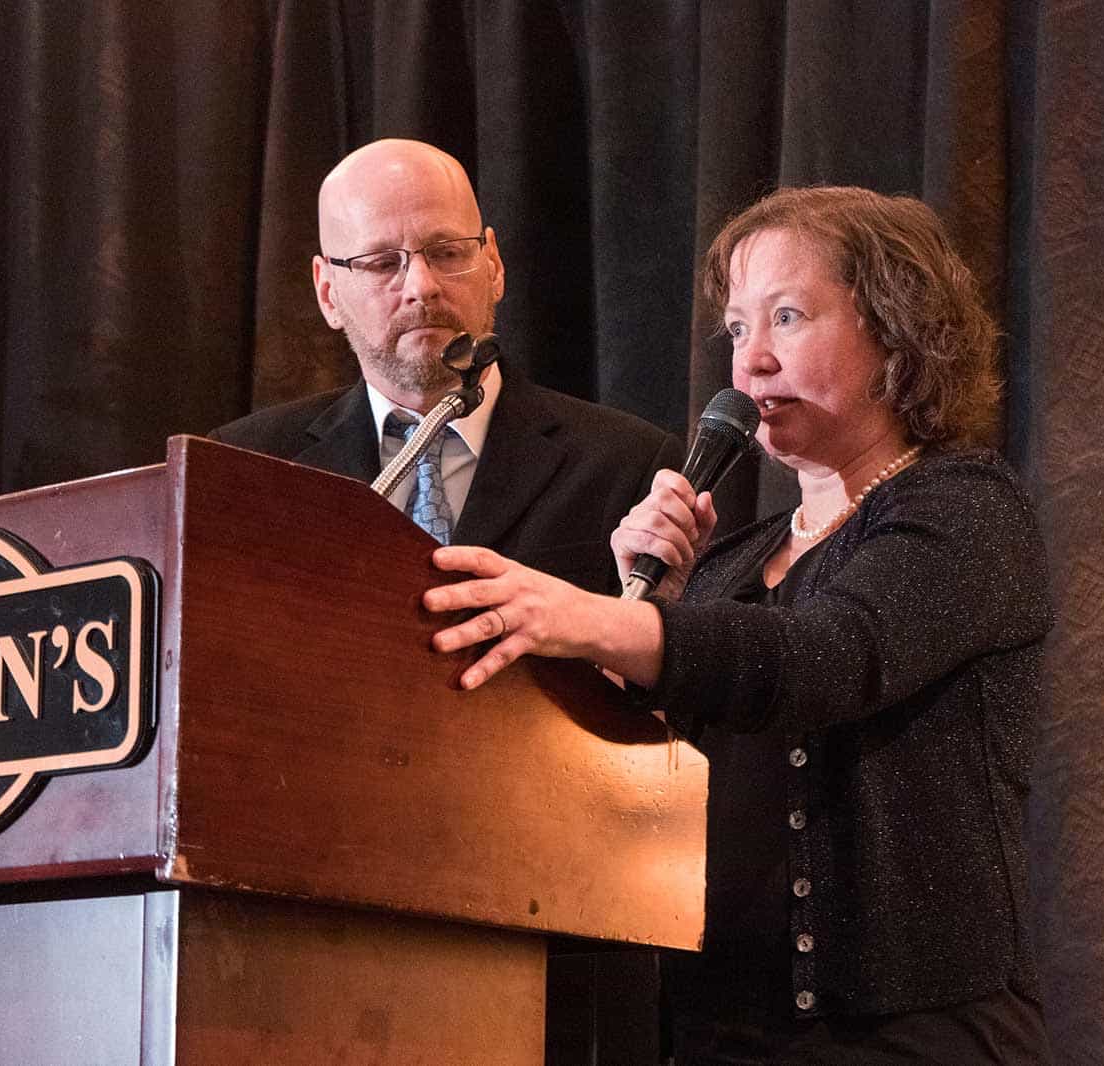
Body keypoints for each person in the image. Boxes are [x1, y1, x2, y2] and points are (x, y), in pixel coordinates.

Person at [423, 185, 1053, 1063]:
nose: (749, 362)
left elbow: (829, 656)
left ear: (897, 331)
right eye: (735, 331)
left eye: (787, 318)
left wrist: (594, 621)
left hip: (912, 1034)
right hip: (718, 1031)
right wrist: (650, 600)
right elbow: (632, 774)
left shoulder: (965, 510)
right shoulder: (728, 564)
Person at [212, 138, 680, 593]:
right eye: (381, 264)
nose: (421, 285)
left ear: (493, 265)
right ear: (328, 293)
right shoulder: (243, 467)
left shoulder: (628, 465)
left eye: (447, 252)